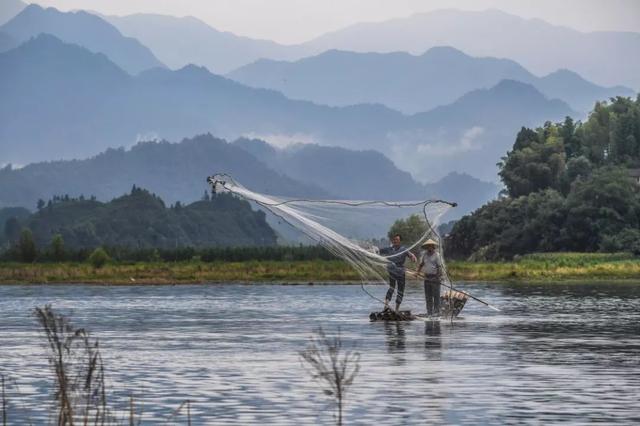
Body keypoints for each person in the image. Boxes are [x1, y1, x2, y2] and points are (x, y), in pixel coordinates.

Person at [380, 234, 417, 311]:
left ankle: (397, 309)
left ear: (400, 241)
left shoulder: (404, 249)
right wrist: (372, 250)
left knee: (400, 290)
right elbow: (379, 250)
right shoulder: (389, 249)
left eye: (397, 239)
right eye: (394, 239)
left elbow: (411, 257)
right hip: (392, 271)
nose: (395, 241)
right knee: (391, 287)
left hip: (401, 272)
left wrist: (413, 258)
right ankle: (386, 305)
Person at [418, 239, 443, 316]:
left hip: (435, 278)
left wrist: (437, 277)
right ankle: (429, 312)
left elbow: (439, 267)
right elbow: (421, 264)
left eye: (430, 246)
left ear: (433, 247)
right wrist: (417, 272)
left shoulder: (437, 255)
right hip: (427, 278)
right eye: (428, 246)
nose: (429, 248)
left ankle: (436, 312)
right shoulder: (425, 255)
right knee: (428, 296)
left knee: (436, 296)